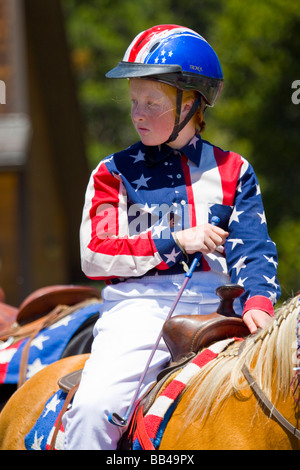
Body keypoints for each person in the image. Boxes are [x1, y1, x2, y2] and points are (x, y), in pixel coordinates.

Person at [62, 24, 280, 450]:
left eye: (151, 102)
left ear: (190, 103)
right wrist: (176, 241)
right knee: (92, 411)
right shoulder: (112, 172)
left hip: (224, 308)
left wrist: (258, 301)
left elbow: (255, 249)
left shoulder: (235, 170)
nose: (137, 114)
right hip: (139, 311)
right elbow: (96, 253)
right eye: (133, 102)